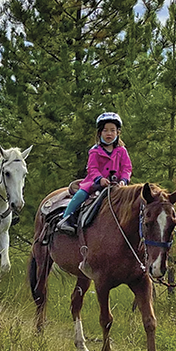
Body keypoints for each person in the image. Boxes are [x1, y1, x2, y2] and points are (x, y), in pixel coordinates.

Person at [56, 112, 132, 276]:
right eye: (105, 130)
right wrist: (100, 179)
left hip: (117, 186)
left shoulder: (122, 151)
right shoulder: (95, 151)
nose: (109, 133)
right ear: (100, 133)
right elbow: (92, 169)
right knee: (80, 195)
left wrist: (124, 181)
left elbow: (127, 169)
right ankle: (66, 218)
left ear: (118, 132)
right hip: (95, 184)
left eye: (112, 130)